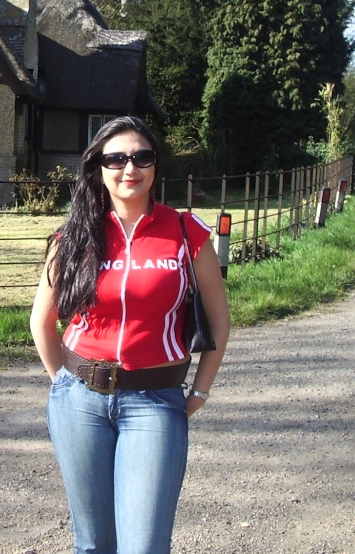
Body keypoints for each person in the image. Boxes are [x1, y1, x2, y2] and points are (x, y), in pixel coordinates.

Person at [30, 116, 230, 554]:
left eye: (142, 157)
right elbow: (42, 323)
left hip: (155, 401)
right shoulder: (73, 237)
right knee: (94, 543)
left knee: (144, 545)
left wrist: (199, 393)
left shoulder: (186, 232)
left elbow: (219, 323)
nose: (129, 168)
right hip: (79, 403)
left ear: (156, 166)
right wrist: (64, 384)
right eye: (116, 158)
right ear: (98, 169)